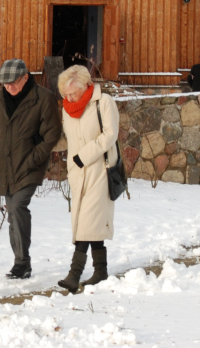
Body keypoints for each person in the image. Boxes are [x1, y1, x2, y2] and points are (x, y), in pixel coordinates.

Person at [0, 58, 61, 280]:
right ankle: (20, 261)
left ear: (25, 77)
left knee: (18, 207)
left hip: (29, 167)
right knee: (12, 215)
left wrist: (34, 158)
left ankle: (22, 262)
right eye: (5, 83)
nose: (10, 87)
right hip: (4, 167)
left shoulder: (43, 98)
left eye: (14, 82)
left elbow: (52, 134)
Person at [56, 63, 120, 293]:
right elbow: (69, 139)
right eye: (66, 94)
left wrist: (84, 155)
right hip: (77, 173)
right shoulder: (67, 109)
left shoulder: (104, 102)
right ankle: (100, 271)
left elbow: (110, 135)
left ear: (86, 86)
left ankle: (74, 275)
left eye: (73, 93)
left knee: (86, 220)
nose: (70, 98)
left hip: (99, 170)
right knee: (89, 222)